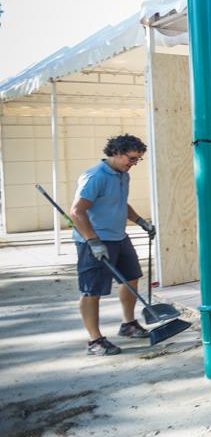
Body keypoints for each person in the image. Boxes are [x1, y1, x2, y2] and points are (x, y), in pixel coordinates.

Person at [70, 133, 157, 356]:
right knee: (92, 290)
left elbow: (120, 202)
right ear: (116, 153)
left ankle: (128, 325)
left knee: (131, 279)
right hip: (95, 240)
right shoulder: (95, 176)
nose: (134, 163)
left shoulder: (122, 175)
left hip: (118, 236)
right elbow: (77, 212)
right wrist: (92, 241)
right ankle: (95, 340)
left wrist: (140, 221)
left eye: (138, 159)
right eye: (131, 158)